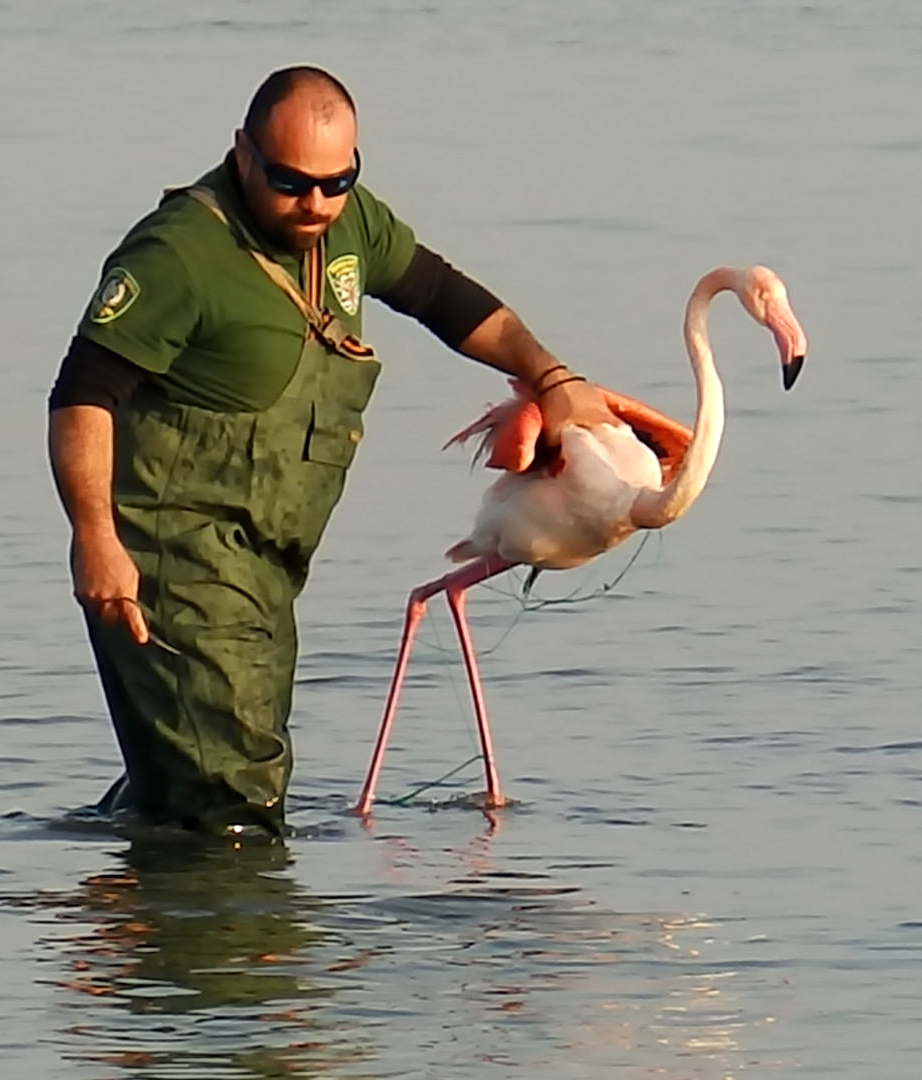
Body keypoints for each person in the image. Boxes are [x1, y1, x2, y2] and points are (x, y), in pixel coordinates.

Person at [47, 65, 615, 838]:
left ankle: (116, 929)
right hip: (171, 557)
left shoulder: (348, 227)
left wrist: (552, 377)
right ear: (242, 153)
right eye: (288, 182)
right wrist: (95, 540)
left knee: (198, 776)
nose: (314, 203)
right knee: (234, 804)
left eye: (335, 181)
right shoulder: (177, 254)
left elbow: (445, 299)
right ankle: (230, 946)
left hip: (266, 565)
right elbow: (81, 396)